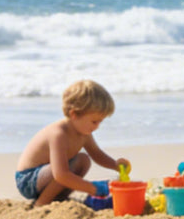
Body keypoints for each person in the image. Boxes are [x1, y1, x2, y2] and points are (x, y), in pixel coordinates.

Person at [15, 79, 130, 207]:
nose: (97, 127)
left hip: (50, 177)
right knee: (67, 169)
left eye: (100, 122)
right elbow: (61, 175)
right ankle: (41, 203)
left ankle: (59, 198)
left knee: (83, 160)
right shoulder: (58, 134)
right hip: (28, 180)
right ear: (74, 114)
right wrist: (92, 188)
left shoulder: (84, 133)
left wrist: (116, 166)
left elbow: (97, 154)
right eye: (94, 122)